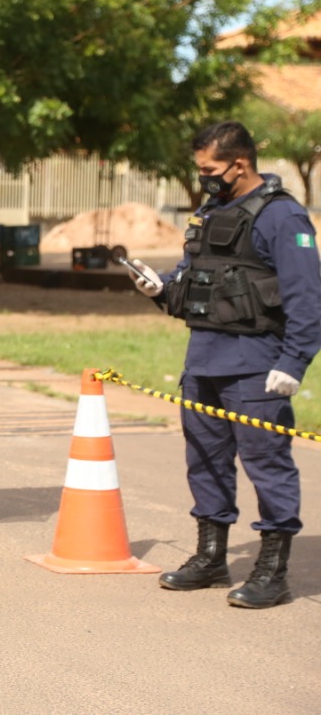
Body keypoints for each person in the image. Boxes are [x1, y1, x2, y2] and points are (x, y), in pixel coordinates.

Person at [130, 121, 321, 609]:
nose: (203, 179)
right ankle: (210, 557)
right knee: (206, 462)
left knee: (267, 465)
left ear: (239, 164)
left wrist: (294, 363)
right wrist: (160, 288)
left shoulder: (283, 217)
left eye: (209, 169)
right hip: (203, 364)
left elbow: (307, 300)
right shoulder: (211, 211)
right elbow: (193, 277)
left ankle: (272, 571)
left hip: (258, 366)